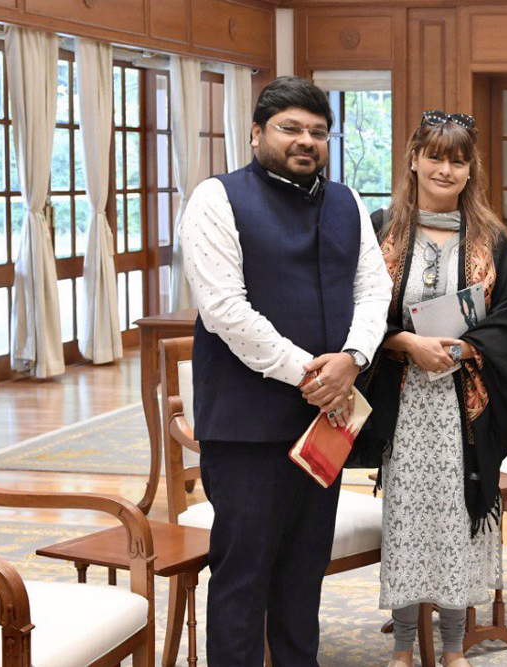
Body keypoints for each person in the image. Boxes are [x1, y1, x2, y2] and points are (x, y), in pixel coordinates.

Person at [180, 76, 392, 666]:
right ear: (256, 134)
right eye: (291, 129)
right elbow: (224, 309)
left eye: (318, 132)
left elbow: (374, 292)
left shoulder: (346, 202)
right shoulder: (216, 198)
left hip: (325, 424)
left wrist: (352, 360)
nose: (307, 141)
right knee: (243, 578)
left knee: (304, 577)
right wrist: (311, 372)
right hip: (248, 428)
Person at [355, 110, 507, 667]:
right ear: (413, 159)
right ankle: (404, 646)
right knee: (405, 520)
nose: (445, 169)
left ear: (471, 168)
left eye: (457, 159)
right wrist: (406, 343)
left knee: (457, 522)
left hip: (463, 405)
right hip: (402, 401)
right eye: (435, 156)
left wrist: (463, 349)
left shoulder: (492, 240)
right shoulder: (381, 229)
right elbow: (355, 311)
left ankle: (454, 647)